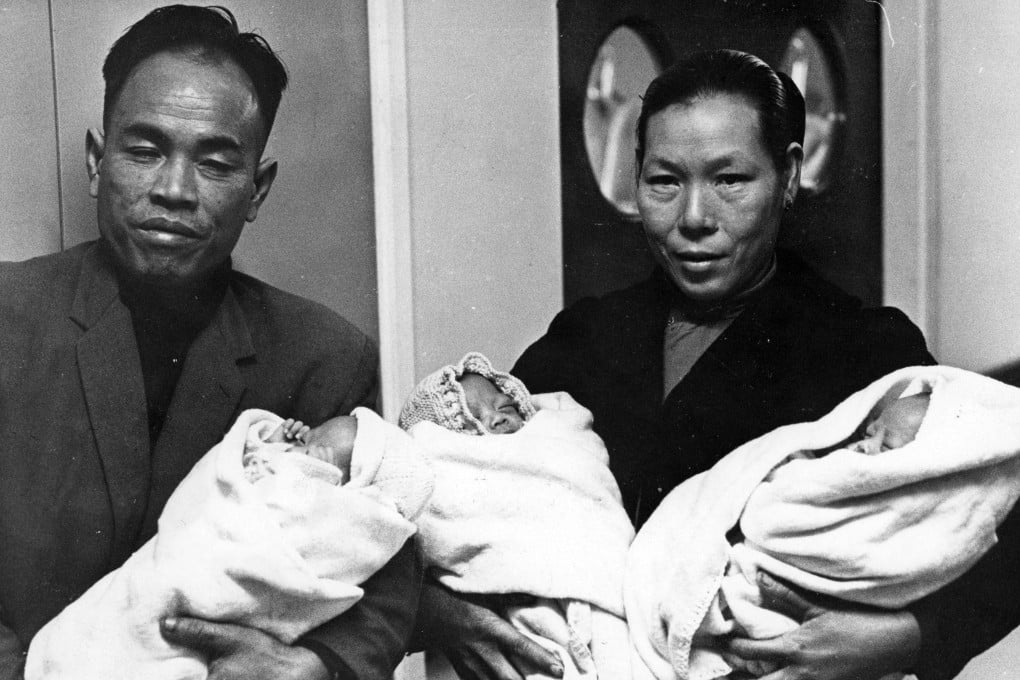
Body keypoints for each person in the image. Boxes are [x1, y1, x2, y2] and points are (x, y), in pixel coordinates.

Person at [511, 48, 1020, 680]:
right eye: (665, 181)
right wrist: (449, 611)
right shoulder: (583, 338)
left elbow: (1001, 519)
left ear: (787, 177)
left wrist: (907, 640)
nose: (694, 219)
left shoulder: (865, 348)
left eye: (729, 181)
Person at [0, 6, 417, 680]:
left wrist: (319, 665)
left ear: (258, 188)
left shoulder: (324, 357)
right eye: (143, 151)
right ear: (95, 162)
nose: (173, 191)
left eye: (215, 163)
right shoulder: (7, 318)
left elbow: (385, 576)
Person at [626, 365, 1020, 679]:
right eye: (869, 433)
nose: (865, 446)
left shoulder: (869, 339)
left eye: (888, 446)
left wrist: (910, 636)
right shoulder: (591, 329)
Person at [26, 406, 433, 680]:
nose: (307, 444)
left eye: (315, 444)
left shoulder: (331, 353)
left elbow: (382, 542)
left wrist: (316, 663)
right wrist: (271, 438)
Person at [403, 352, 633, 680]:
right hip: (517, 614)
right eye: (471, 421)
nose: (496, 419)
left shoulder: (554, 439)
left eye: (504, 407)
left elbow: (585, 474)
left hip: (605, 589)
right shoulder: (454, 473)